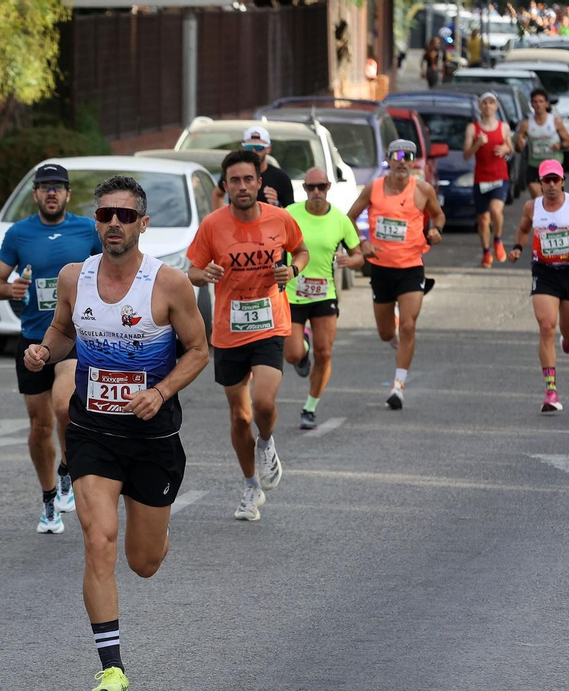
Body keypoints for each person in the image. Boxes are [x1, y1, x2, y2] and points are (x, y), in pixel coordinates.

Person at [22, 175, 210, 691]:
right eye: (105, 214)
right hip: (94, 432)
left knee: (143, 562)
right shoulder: (73, 277)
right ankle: (112, 672)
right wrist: (44, 352)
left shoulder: (169, 284)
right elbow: (63, 331)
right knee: (97, 539)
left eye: (125, 216)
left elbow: (199, 350)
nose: (113, 224)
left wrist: (162, 390)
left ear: (142, 224)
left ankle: (157, 530)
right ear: (96, 221)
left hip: (152, 436)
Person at [188, 149, 309, 521]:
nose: (242, 186)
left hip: (270, 323)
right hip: (229, 331)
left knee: (264, 402)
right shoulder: (212, 225)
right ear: (225, 186)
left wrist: (293, 270)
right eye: (234, 181)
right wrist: (205, 275)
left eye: (248, 179)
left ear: (259, 182)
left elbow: (301, 251)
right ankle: (250, 486)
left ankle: (267, 443)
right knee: (240, 418)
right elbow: (192, 271)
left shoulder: (280, 218)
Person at [0, 163, 101, 534]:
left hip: (73, 336)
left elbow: (113, 269)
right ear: (35, 194)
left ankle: (67, 471)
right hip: (34, 339)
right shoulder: (19, 233)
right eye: (45, 186)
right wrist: (10, 289)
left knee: (65, 407)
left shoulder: (87, 230)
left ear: (68, 194)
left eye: (58, 187)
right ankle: (49, 497)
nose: (52, 192)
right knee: (40, 425)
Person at [347, 139, 445, 411]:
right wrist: (362, 243)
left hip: (411, 267)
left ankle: (398, 387)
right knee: (385, 332)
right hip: (381, 268)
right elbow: (349, 218)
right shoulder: (374, 188)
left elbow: (438, 216)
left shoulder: (422, 190)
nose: (402, 162)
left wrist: (436, 230)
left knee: (409, 327)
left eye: (408, 157)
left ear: (413, 163)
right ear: (389, 160)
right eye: (397, 156)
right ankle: (394, 328)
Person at [507, 160, 569, 413]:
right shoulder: (532, 207)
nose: (551, 185)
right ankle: (550, 392)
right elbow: (523, 230)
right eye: (546, 180)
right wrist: (518, 247)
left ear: (563, 181)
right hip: (544, 272)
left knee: (568, 331)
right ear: (540, 184)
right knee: (546, 326)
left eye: (555, 180)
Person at [284, 167, 364, 430]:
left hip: (324, 295)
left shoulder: (340, 220)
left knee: (325, 352)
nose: (316, 192)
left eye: (321, 187)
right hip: (293, 294)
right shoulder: (290, 214)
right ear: (304, 189)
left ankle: (310, 407)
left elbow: (359, 256)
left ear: (329, 187)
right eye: (311, 187)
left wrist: (349, 260)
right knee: (293, 354)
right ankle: (303, 348)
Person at [463, 92, 513, 268]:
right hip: (481, 178)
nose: (488, 106)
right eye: (484, 103)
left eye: (491, 103)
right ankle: (486, 253)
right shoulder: (472, 128)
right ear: (480, 106)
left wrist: (506, 149)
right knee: (483, 220)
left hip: (500, 177)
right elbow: (466, 155)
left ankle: (497, 239)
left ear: (496, 107)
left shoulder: (503, 127)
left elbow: (511, 149)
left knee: (495, 210)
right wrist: (477, 144)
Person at [211, 126, 296, 211]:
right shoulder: (234, 171)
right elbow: (217, 194)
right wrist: (221, 216)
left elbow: (292, 211)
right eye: (249, 147)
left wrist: (276, 205)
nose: (254, 151)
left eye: (259, 147)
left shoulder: (280, 177)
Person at [517, 88, 569, 200]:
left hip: (553, 165)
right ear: (531, 104)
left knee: (554, 199)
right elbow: (518, 148)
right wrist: (519, 144)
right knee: (539, 199)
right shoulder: (526, 124)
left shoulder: (555, 121)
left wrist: (559, 146)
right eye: (535, 102)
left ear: (547, 103)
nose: (538, 104)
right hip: (535, 165)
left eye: (541, 101)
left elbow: (568, 142)